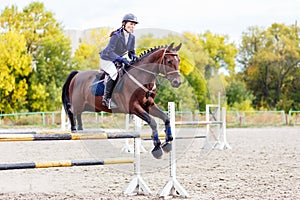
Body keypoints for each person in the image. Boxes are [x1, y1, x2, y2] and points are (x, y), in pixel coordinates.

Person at [99, 13, 138, 108]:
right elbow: (109, 52)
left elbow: (131, 51)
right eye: (130, 23)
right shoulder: (116, 35)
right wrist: (122, 59)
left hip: (117, 60)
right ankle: (106, 99)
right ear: (124, 23)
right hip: (106, 59)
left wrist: (134, 56)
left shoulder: (132, 37)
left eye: (134, 24)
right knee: (114, 73)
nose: (132, 26)